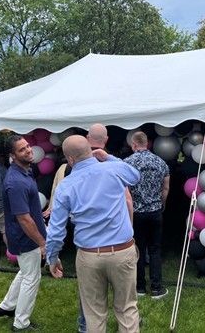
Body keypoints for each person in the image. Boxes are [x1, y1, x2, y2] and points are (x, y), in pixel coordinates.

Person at [46, 135, 141, 333]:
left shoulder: (66, 185)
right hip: (122, 251)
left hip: (89, 255)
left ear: (70, 160)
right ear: (90, 150)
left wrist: (52, 258)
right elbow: (135, 175)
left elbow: (56, 230)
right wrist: (109, 158)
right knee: (127, 309)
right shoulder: (113, 169)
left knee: (94, 315)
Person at [0, 135, 47, 331]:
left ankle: (6, 306)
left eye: (28, 146)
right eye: (22, 149)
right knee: (32, 278)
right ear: (12, 155)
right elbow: (23, 218)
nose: (28, 150)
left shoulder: (26, 171)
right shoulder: (15, 181)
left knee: (26, 272)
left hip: (28, 234)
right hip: (26, 237)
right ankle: (21, 322)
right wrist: (42, 242)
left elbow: (28, 208)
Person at [124, 131, 170, 298]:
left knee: (138, 249)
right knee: (155, 249)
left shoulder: (127, 163)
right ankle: (157, 288)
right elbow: (165, 188)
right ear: (148, 143)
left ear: (134, 144)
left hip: (136, 212)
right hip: (155, 211)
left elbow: (124, 191)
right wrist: (162, 204)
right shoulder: (161, 162)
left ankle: (140, 287)